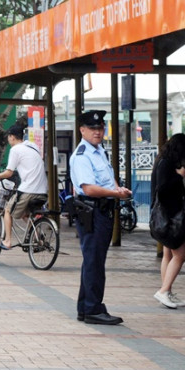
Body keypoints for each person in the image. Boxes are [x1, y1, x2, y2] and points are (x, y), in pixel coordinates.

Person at [69, 110, 132, 325]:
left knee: (93, 261)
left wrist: (117, 188)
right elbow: (88, 188)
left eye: (100, 128)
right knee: (94, 262)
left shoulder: (98, 151)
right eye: (93, 128)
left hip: (101, 210)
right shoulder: (82, 155)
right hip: (92, 211)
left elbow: (107, 179)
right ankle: (93, 309)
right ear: (82, 130)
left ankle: (85, 307)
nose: (97, 132)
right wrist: (116, 194)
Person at [150, 133, 185, 309]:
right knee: (181, 255)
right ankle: (163, 290)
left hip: (167, 219)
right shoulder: (167, 164)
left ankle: (166, 292)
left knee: (168, 254)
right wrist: (179, 176)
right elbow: (163, 188)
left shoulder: (162, 161)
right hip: (170, 218)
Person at [0, 124, 48, 250]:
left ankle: (7, 241)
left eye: (8, 137)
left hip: (29, 190)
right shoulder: (33, 146)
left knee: (7, 210)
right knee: (25, 214)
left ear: (12, 137)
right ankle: (37, 237)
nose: (8, 140)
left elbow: (9, 172)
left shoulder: (15, 150)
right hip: (43, 191)